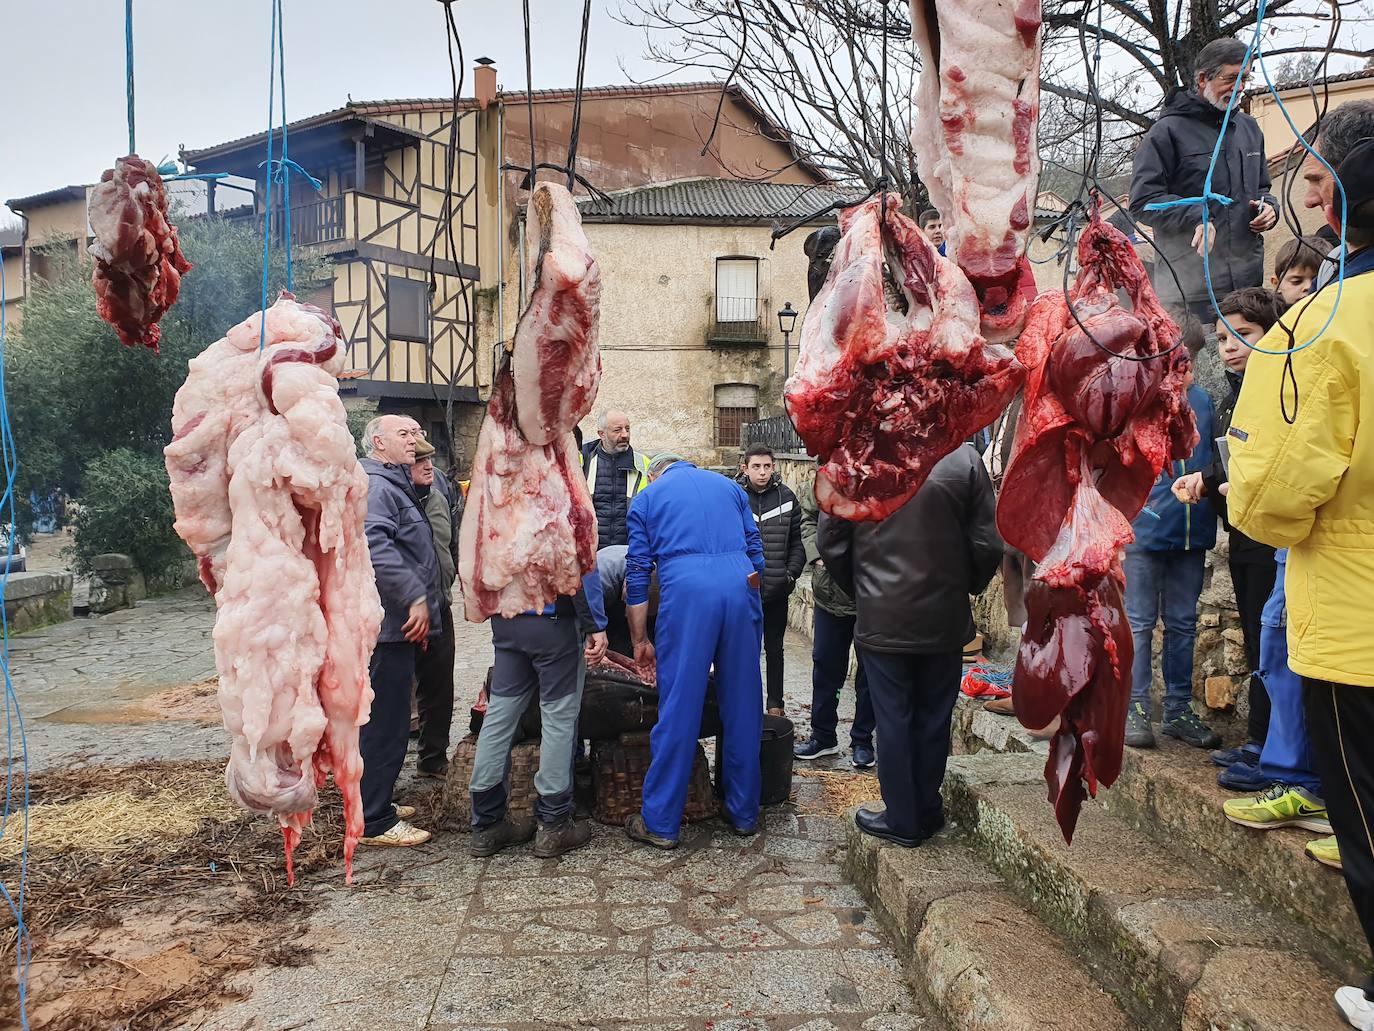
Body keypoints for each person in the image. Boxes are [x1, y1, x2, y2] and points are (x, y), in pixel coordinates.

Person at [1225, 102, 1374, 1031]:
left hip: (1357, 628)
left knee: (1365, 813)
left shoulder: (1322, 326)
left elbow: (1268, 497)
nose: (1307, 196)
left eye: (1318, 182)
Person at [819, 445, 1001, 847]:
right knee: (934, 717)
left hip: (883, 616)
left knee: (894, 717)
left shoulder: (853, 457)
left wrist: (866, 592)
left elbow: (831, 541)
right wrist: (962, 586)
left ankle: (903, 817)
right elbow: (988, 542)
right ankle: (925, 808)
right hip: (943, 615)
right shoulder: (964, 459)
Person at [624, 452, 765, 848]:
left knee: (680, 704)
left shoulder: (648, 498)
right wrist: (751, 594)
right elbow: (756, 550)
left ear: (655, 474)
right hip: (741, 584)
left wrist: (639, 640)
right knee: (743, 701)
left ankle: (661, 821)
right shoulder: (730, 486)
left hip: (687, 590)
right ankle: (742, 811)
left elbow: (637, 571)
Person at [1173, 290, 1279, 783]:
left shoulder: (1279, 392)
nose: (1231, 347)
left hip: (1272, 536)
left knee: (1272, 644)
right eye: (1223, 338)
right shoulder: (1234, 398)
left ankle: (1275, 748)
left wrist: (1216, 481)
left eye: (1244, 334)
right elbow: (1227, 464)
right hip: (1243, 535)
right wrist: (1207, 482)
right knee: (1259, 641)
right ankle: (1260, 741)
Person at [467, 527, 608, 859]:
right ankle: (553, 824)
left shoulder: (498, 503)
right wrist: (595, 624)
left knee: (500, 716)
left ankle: (486, 826)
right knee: (558, 719)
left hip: (507, 619)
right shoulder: (553, 498)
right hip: (552, 623)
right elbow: (578, 561)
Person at [1130, 37, 1279, 321]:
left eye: (1245, 78)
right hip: (1190, 295)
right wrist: (1195, 214)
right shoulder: (1166, 132)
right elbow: (1143, 202)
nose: (1240, 88)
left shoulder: (1250, 129)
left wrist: (1269, 208)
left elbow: (1262, 187)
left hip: (1247, 285)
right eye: (1232, 78)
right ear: (1202, 79)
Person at [1124, 326, 1222, 751]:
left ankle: (1179, 707)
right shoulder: (1140, 401)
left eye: (1187, 361)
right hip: (1144, 531)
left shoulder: (1204, 403)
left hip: (1192, 531)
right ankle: (1134, 706)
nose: (1181, 370)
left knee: (1183, 622)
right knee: (1140, 623)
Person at [1221, 548, 1336, 855]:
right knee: (1280, 657)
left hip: (1310, 557)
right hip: (1295, 558)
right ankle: (1303, 784)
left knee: (1288, 662)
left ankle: (1307, 787)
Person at [359, 414, 440, 848]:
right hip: (390, 624)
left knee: (386, 718)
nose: (416, 439)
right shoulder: (376, 486)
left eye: (417, 431)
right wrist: (413, 595)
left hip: (399, 624)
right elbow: (376, 546)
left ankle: (377, 800)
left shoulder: (393, 482)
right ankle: (374, 821)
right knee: (385, 723)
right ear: (378, 442)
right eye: (405, 434)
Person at [793, 470, 876, 769]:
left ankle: (863, 740)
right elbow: (806, 521)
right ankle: (823, 735)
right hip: (829, 593)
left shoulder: (879, 474)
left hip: (872, 594)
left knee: (870, 672)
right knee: (826, 666)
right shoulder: (819, 480)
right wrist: (819, 556)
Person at [736, 444, 805, 716]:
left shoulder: (787, 497)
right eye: (756, 467)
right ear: (745, 468)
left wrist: (791, 574)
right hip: (744, 590)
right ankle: (746, 705)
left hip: (777, 588)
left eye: (767, 466)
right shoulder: (734, 496)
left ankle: (775, 704)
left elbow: (798, 541)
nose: (762, 472)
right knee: (745, 651)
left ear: (774, 466)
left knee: (775, 650)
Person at [409, 437, 461, 780]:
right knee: (396, 692)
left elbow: (451, 542)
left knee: (440, 686)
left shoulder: (438, 493)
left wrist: (449, 580)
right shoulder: (389, 498)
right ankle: (381, 776)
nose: (429, 466)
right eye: (419, 461)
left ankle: (433, 757)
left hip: (439, 604)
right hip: (404, 613)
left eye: (430, 459)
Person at [581, 408, 652, 549]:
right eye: (617, 430)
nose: (625, 435)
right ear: (601, 434)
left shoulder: (643, 464)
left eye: (627, 429)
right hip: (590, 551)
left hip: (630, 551)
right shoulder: (582, 460)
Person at [1270, 235, 1326, 312]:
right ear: (1277, 284)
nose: (1308, 286)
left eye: (1317, 280)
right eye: (1296, 281)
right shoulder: (1269, 321)